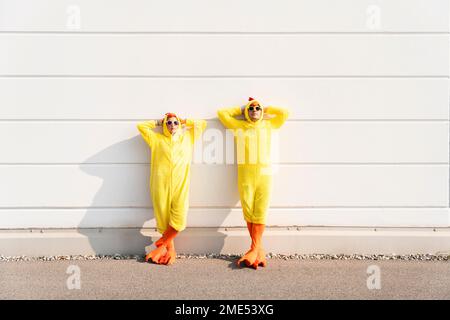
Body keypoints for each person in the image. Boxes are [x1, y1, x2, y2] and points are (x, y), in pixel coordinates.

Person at [217, 97, 289, 269]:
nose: (255, 110)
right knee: (248, 210)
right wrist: (240, 111)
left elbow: (285, 113)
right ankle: (258, 249)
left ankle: (254, 249)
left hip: (265, 175)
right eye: (251, 109)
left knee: (260, 211)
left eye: (257, 108)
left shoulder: (268, 125)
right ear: (247, 112)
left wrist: (267, 108)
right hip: (245, 176)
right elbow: (222, 114)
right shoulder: (239, 127)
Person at [137, 113, 206, 265]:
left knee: (179, 218)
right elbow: (141, 126)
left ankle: (159, 246)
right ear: (165, 125)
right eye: (169, 123)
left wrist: (184, 121)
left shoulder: (187, 138)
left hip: (180, 185)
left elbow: (202, 124)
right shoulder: (156, 139)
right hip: (160, 184)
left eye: (175, 123)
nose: (172, 125)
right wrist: (157, 121)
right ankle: (170, 251)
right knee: (163, 218)